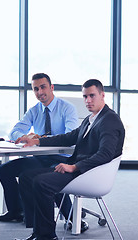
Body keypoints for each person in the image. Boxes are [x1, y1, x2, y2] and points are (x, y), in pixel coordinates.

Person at [16, 79, 125, 240]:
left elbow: (105, 154)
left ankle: (46, 236)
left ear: (102, 95)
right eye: (85, 97)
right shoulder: (91, 118)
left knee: (41, 182)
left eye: (92, 96)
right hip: (79, 169)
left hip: (89, 173)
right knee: (26, 177)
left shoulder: (109, 120)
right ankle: (38, 231)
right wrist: (37, 141)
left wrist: (75, 167)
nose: (88, 101)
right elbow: (69, 137)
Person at [0, 73, 80, 226]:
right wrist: (25, 136)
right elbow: (14, 131)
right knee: (4, 170)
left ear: (51, 87)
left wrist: (39, 140)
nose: (40, 92)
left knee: (55, 173)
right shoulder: (34, 110)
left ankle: (73, 218)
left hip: (63, 158)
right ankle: (16, 211)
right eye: (35, 89)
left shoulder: (67, 109)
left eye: (43, 87)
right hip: (41, 158)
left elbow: (69, 137)